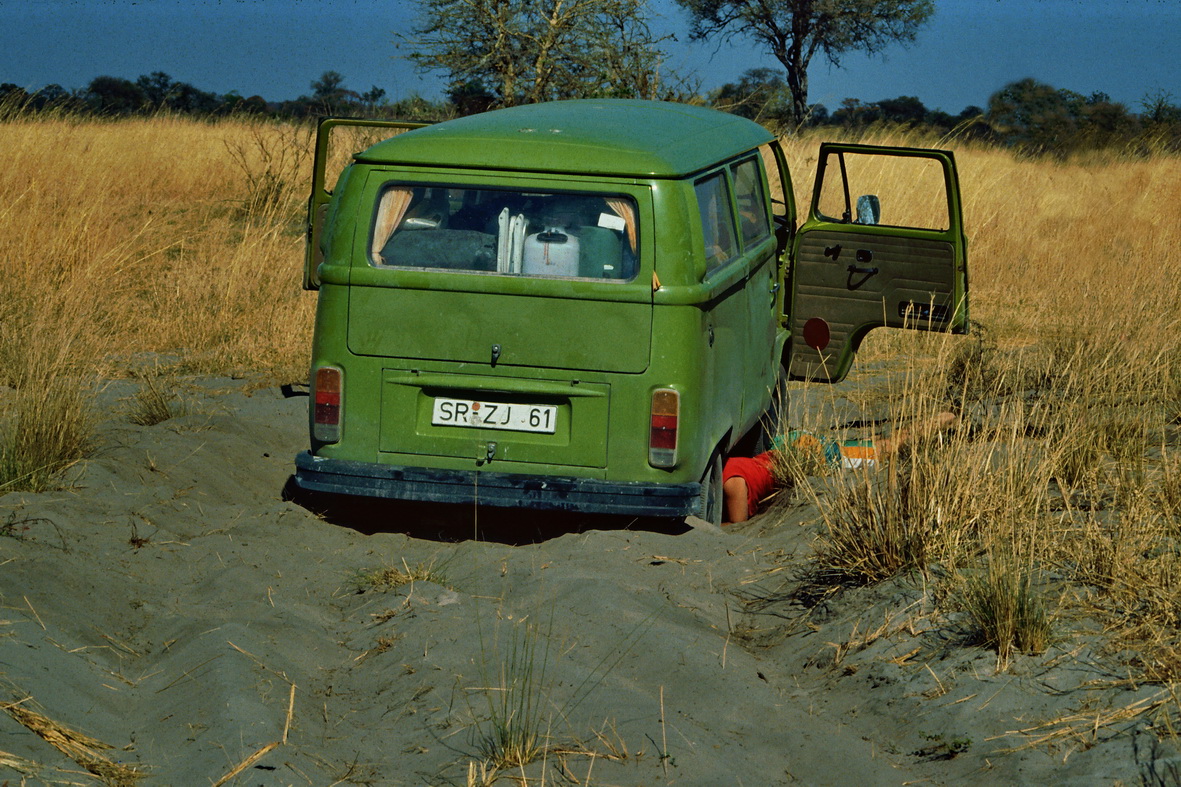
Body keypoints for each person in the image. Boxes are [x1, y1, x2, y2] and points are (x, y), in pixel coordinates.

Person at [722, 412, 957, 524]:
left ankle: (943, 419)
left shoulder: (731, 483)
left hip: (808, 455)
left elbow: (737, 526)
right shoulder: (729, 471)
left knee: (887, 448)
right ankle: (939, 420)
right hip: (792, 448)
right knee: (874, 447)